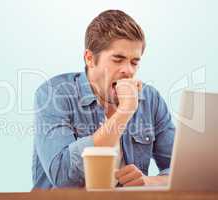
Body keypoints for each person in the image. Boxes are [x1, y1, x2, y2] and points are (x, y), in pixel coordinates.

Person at [32, 9, 175, 189]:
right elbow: (62, 176)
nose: (128, 71)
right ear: (90, 58)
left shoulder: (150, 99)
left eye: (134, 62)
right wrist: (124, 112)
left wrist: (150, 181)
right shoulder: (54, 94)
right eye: (118, 59)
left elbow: (182, 170)